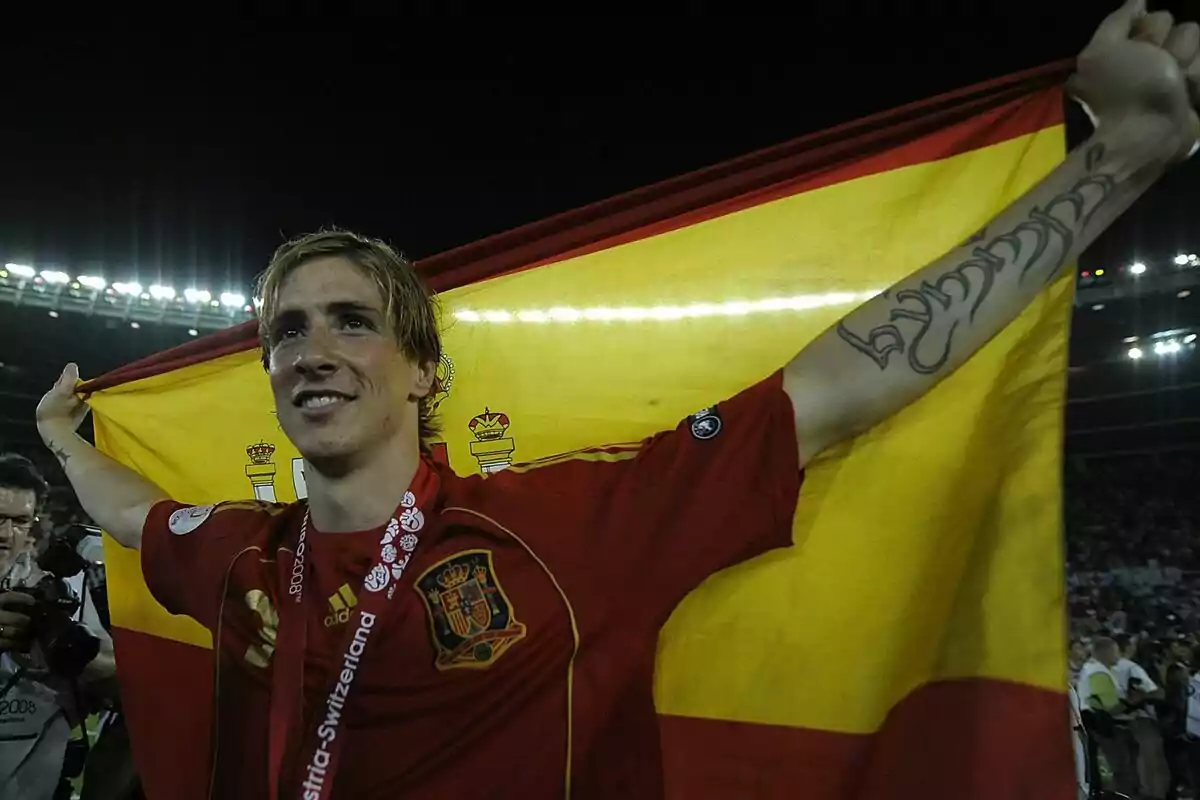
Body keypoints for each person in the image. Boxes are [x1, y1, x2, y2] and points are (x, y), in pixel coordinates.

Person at [32, 3, 1200, 797]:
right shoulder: (240, 556)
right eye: (284, 328)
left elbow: (842, 382)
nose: (310, 349)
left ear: (425, 367)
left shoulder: (561, 530)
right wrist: (58, 437)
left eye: (351, 319)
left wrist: (1114, 161)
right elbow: (131, 509)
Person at [0, 454, 116, 800]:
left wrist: (71, 651)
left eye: (19, 521)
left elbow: (122, 683)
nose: (6, 535)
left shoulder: (62, 591)